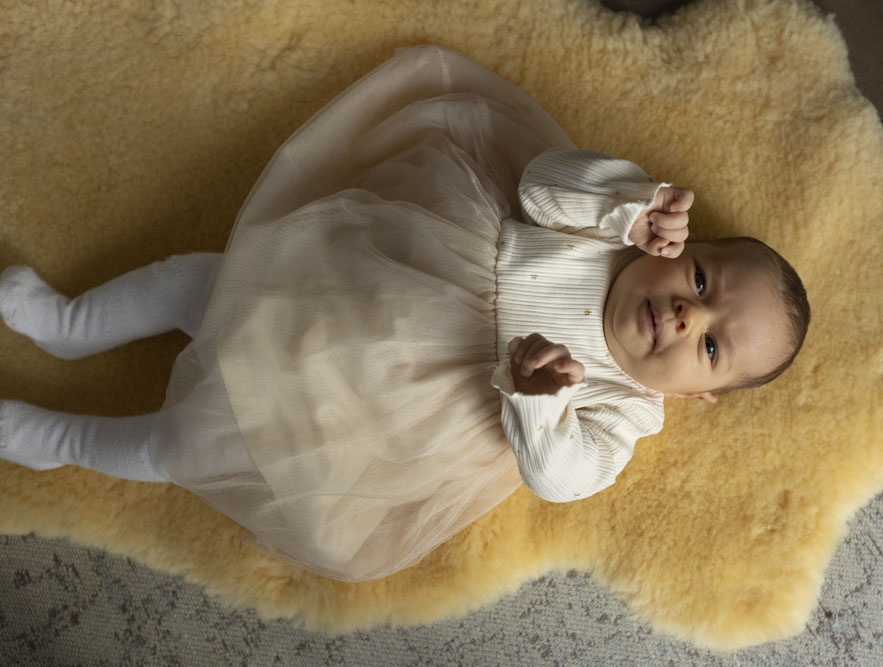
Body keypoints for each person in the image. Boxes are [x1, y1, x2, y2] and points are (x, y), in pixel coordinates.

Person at [0, 45, 809, 581]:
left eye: (711, 347)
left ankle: (55, 441)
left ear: (695, 394)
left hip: (380, 414)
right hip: (369, 280)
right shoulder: (612, 229)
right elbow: (539, 183)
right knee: (202, 283)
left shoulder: (622, 413)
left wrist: (539, 401)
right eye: (701, 278)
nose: (686, 314)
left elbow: (559, 478)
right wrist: (626, 207)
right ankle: (69, 324)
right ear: (686, 244)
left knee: (189, 441)